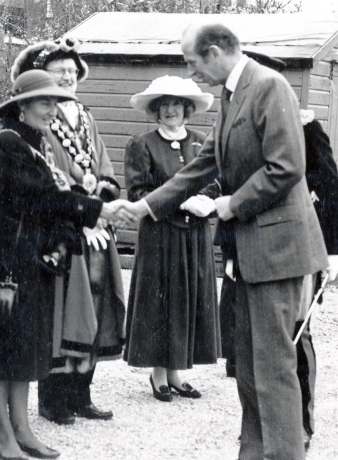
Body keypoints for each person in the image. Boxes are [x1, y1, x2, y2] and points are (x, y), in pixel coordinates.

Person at [124, 22, 334, 460]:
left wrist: (228, 205)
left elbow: (287, 167)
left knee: (273, 370)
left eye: (192, 61)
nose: (191, 71)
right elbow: (204, 163)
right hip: (251, 252)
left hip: (281, 254)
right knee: (249, 369)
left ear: (216, 51)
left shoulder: (269, 86)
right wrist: (147, 206)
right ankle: (255, 452)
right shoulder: (233, 94)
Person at [0, 69, 135, 460]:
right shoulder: (8, 144)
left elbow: (53, 196)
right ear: (22, 106)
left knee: (25, 349)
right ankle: (1, 434)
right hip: (0, 267)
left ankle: (22, 429)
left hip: (26, 264)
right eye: (45, 102)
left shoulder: (34, 144)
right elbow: (43, 197)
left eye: (56, 103)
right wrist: (100, 209)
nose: (52, 110)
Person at [209, 51, 338, 451]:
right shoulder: (239, 124)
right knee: (248, 359)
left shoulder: (306, 127)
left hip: (290, 253)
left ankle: (299, 427)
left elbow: (329, 190)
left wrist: (331, 255)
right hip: (244, 254)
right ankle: (263, 433)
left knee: (293, 344)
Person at [10, 38, 125, 425]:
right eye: (60, 72)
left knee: (98, 307)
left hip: (95, 226)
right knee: (64, 312)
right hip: (67, 228)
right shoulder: (42, 121)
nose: (68, 78)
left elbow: (105, 167)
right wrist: (83, 217)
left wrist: (102, 207)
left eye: (73, 72)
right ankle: (54, 398)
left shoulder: (87, 117)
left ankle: (82, 393)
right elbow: (51, 180)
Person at [123, 75, 219, 402]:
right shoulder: (142, 144)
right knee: (162, 300)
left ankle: (177, 372)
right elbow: (138, 191)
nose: (170, 109)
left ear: (187, 108)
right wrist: (179, 202)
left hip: (194, 235)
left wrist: (205, 200)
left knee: (187, 299)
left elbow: (215, 179)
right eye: (163, 104)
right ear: (155, 109)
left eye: (176, 103)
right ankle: (158, 374)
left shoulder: (203, 141)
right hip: (160, 235)